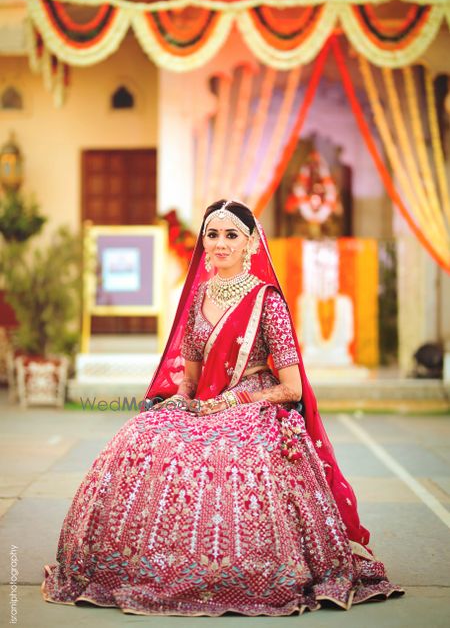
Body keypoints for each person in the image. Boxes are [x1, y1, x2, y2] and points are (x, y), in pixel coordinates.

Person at [41, 199, 403, 616]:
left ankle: (236, 572)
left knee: (231, 454)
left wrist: (233, 400)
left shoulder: (267, 301)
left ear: (251, 242)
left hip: (255, 404)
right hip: (205, 404)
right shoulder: (197, 299)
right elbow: (190, 381)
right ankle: (137, 567)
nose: (220, 243)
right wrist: (178, 402)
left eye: (231, 234)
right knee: (141, 436)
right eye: (213, 234)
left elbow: (291, 388)